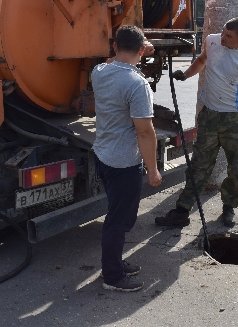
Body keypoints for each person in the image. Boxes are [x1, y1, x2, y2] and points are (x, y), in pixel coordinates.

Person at [155, 17, 238, 227]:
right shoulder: (213, 41)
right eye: (223, 31)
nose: (223, 37)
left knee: (235, 167)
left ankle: (229, 207)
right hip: (209, 116)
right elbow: (202, 60)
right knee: (198, 165)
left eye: (229, 36)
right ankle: (181, 211)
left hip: (234, 120)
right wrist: (185, 74)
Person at [92, 25, 162, 292]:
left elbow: (113, 61)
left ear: (114, 46)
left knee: (117, 217)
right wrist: (153, 170)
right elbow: (145, 131)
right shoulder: (137, 84)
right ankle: (112, 276)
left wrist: (139, 50)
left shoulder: (98, 72)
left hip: (103, 154)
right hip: (124, 163)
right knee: (118, 222)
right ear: (142, 50)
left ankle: (115, 262)